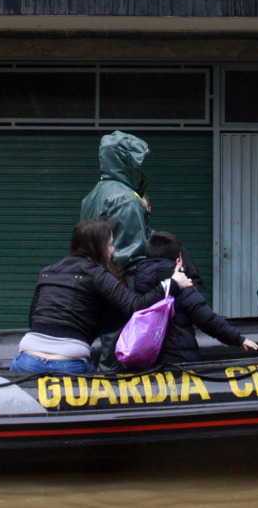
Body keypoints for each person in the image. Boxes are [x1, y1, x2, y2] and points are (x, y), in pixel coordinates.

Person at [12, 218, 194, 374]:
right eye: (110, 244)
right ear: (98, 247)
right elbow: (135, 306)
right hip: (69, 363)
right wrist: (172, 284)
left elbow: (34, 320)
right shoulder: (97, 274)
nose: (113, 250)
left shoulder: (47, 272)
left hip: (26, 360)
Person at [81, 131, 152, 369]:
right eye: (138, 160)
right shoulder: (126, 199)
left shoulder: (93, 195)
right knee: (117, 352)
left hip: (92, 281)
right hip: (119, 286)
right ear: (125, 161)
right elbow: (131, 257)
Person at [134, 231, 258, 364]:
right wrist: (238, 339)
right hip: (179, 363)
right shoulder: (184, 286)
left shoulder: (136, 285)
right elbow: (208, 320)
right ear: (178, 261)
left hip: (143, 363)